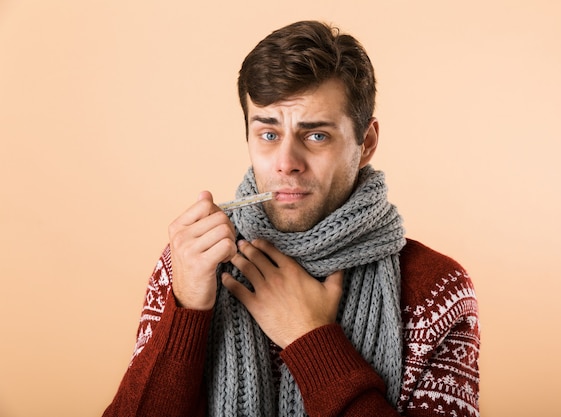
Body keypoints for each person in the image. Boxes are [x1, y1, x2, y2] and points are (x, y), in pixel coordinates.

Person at [103, 20, 480, 417]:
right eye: (268, 135)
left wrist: (311, 340)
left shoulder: (437, 290)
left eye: (316, 135)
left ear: (365, 143)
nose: (286, 164)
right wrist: (187, 310)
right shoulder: (191, 264)